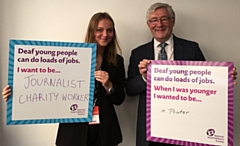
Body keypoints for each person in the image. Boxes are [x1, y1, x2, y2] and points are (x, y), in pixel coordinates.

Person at [2, 12, 126, 146]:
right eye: (99, 30)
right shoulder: (73, 57)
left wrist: (108, 85)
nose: (105, 34)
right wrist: (16, 94)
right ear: (92, 31)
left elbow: (119, 99)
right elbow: (46, 83)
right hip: (74, 130)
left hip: (104, 131)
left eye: (110, 30)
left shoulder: (117, 61)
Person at [125, 2, 237, 146]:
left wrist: (224, 78)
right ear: (148, 24)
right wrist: (144, 78)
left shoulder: (192, 49)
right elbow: (129, 89)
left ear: (173, 21)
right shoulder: (138, 53)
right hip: (151, 128)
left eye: (164, 19)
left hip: (186, 127)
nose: (159, 24)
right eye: (154, 20)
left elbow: (206, 81)